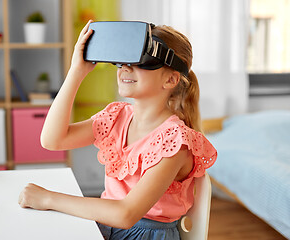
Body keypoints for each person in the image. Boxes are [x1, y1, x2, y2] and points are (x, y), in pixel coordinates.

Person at [18, 20, 217, 240]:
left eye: (140, 61)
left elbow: (126, 214)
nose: (125, 68)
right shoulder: (117, 117)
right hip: (105, 227)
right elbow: (52, 140)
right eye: (122, 61)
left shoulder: (174, 142)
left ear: (170, 79)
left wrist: (48, 199)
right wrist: (76, 72)